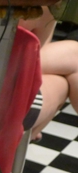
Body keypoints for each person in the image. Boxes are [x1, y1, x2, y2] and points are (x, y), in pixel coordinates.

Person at [19, 5, 78, 142]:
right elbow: (38, 50)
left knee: (73, 55)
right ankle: (22, 140)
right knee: (62, 82)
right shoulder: (42, 7)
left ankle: (26, 136)